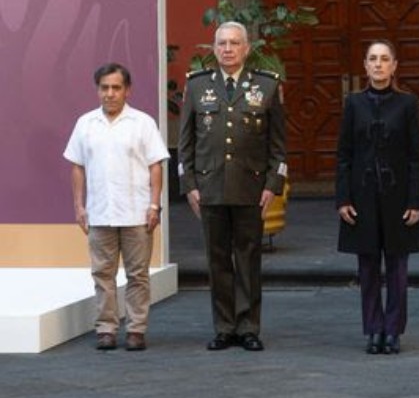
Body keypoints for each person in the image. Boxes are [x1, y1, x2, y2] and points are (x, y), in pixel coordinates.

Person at [178, 21, 287, 352]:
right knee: (217, 260)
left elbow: (278, 146)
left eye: (234, 43)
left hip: (250, 189)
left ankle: (249, 326)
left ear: (246, 49)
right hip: (209, 188)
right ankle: (224, 327)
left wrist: (273, 184)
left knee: (249, 259)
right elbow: (185, 144)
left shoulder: (266, 87)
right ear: (213, 49)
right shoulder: (197, 87)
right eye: (222, 43)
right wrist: (189, 185)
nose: (227, 48)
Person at [63, 63, 169, 351]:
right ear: (98, 90)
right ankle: (106, 329)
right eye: (104, 88)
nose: (110, 93)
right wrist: (79, 207)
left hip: (137, 213)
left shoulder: (143, 122)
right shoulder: (85, 123)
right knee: (103, 275)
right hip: (99, 213)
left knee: (138, 275)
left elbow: (156, 166)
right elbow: (77, 167)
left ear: (127, 90)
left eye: (116, 88)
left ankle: (136, 329)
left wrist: (154, 205)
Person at [336, 40, 419, 355]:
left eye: (384, 59)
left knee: (398, 268)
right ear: (365, 65)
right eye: (372, 58)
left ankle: (393, 330)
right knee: (368, 266)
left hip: (398, 196)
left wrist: (416, 201)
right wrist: (343, 198)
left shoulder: (407, 104)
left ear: (394, 65)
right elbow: (344, 154)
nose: (378, 64)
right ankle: (373, 329)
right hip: (362, 197)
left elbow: (416, 157)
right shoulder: (354, 103)